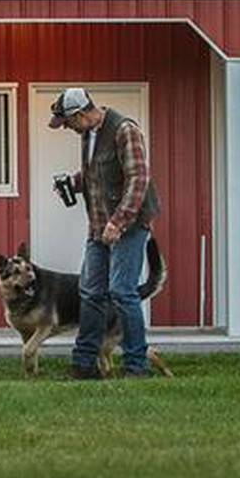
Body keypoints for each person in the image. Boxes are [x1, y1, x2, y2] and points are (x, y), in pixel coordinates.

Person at [48, 87, 161, 379]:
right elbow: (94, 175)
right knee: (91, 292)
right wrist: (72, 183)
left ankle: (137, 366)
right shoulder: (88, 134)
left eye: (68, 122)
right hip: (98, 225)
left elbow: (139, 180)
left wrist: (119, 222)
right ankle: (84, 365)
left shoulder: (125, 130)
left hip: (130, 224)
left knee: (122, 291)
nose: (68, 129)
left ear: (80, 114)